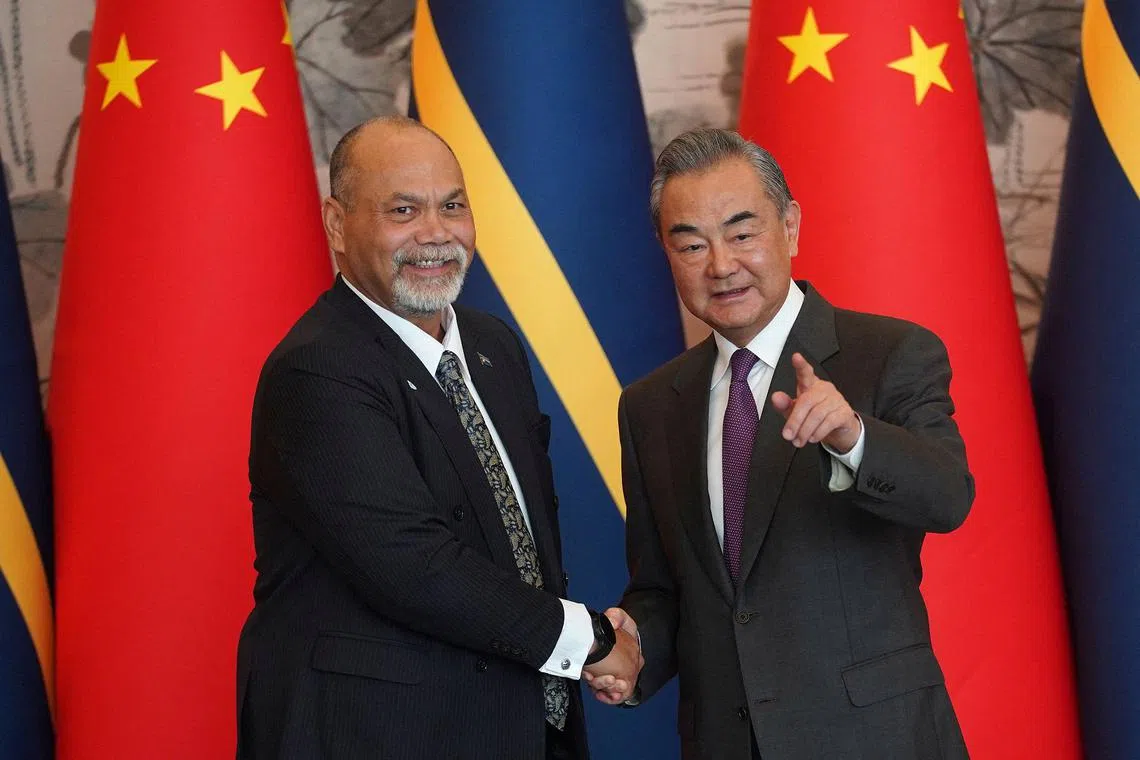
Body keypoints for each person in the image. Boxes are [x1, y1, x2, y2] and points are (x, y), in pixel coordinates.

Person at [236, 116, 640, 760]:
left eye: (452, 205)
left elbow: (519, 545)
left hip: (517, 720)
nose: (435, 234)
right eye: (403, 210)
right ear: (337, 225)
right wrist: (586, 639)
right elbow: (413, 565)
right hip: (377, 733)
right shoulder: (318, 368)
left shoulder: (492, 346)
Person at [592, 128, 974, 759]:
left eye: (743, 234)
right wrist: (635, 653)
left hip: (874, 738)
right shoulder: (651, 405)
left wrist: (853, 437)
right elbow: (664, 586)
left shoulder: (890, 354)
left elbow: (947, 497)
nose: (721, 265)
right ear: (667, 252)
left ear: (790, 228)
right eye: (692, 244)